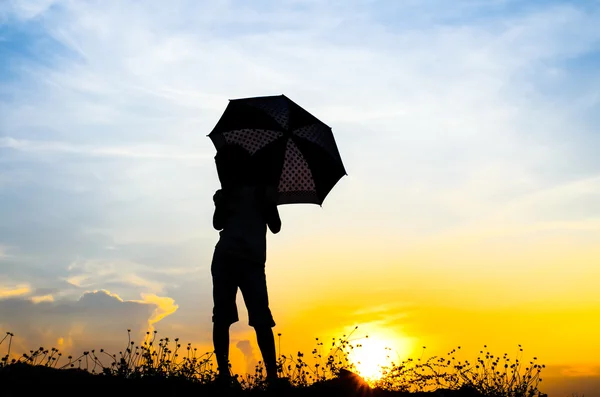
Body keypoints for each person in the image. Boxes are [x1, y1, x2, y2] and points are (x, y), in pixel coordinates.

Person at [211, 146, 281, 384]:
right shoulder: (228, 192)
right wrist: (221, 202)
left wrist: (269, 203)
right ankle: (224, 375)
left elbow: (275, 225)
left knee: (260, 318)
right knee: (223, 317)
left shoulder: (262, 192)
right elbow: (217, 223)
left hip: (249, 262)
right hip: (229, 259)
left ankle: (272, 375)